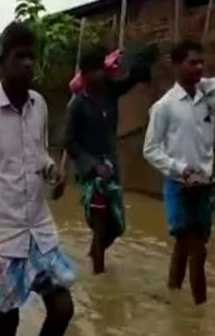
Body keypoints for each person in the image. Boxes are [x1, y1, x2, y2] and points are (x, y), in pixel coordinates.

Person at [0, 22, 76, 336]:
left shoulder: (39, 105)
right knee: (7, 320)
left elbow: (38, 154)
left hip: (37, 229)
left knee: (63, 307)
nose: (27, 64)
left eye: (31, 57)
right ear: (1, 63)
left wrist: (52, 171)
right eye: (19, 57)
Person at [143, 40, 215, 305]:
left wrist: (210, 84)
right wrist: (181, 169)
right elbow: (150, 150)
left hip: (205, 185)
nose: (199, 67)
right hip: (179, 185)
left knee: (184, 244)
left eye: (201, 62)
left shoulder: (208, 99)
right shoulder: (165, 106)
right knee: (198, 250)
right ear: (176, 65)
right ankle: (200, 313)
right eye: (192, 62)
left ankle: (172, 292)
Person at [63, 46, 152, 274]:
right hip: (92, 175)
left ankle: (96, 252)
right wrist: (93, 165)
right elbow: (69, 142)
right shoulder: (77, 106)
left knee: (116, 228)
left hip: (112, 169)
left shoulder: (110, 92)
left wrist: (140, 68)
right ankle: (99, 281)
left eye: (101, 70)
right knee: (101, 227)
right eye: (93, 72)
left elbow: (130, 80)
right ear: (84, 75)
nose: (100, 75)